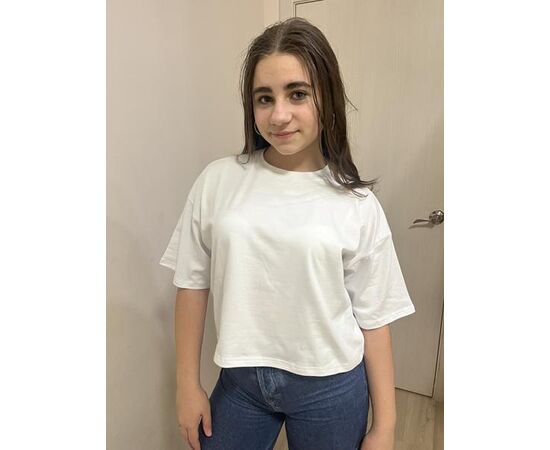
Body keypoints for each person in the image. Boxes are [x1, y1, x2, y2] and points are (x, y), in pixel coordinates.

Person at [159, 17, 416, 450]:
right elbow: (192, 283)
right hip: (241, 381)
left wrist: (385, 426)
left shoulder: (356, 204)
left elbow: (375, 319)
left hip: (331, 387)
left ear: (326, 98)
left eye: (297, 94)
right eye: (265, 98)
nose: (279, 115)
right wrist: (187, 385)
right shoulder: (218, 180)